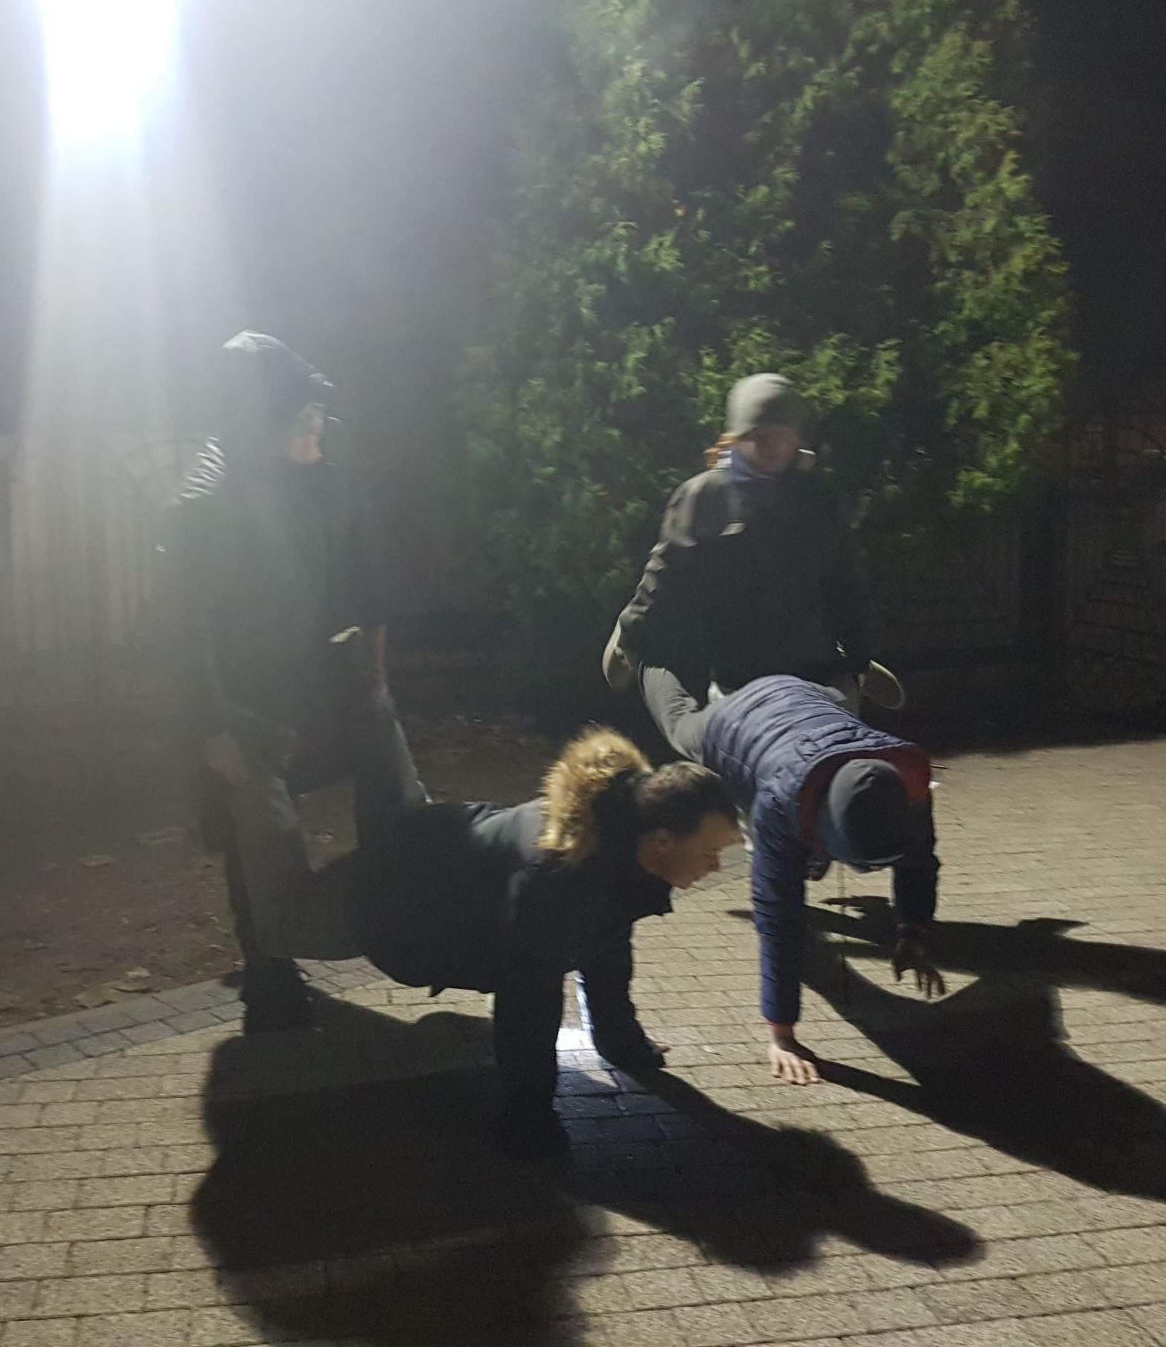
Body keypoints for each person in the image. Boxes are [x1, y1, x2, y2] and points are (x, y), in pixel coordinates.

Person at [250, 690, 741, 1159]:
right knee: (274, 926)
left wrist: (621, 1043)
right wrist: (530, 1121)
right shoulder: (558, 883)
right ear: (662, 841)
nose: (717, 866)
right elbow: (528, 1007)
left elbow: (605, 944)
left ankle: (366, 689)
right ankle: (254, 774)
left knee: (392, 805)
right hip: (384, 902)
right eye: (710, 852)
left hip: (430, 841)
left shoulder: (621, 823)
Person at [159, 330, 400, 1031]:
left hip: (314, 678)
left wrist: (373, 668)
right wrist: (212, 728)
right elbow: (184, 630)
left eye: (316, 418)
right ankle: (269, 970)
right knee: (258, 828)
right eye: (299, 422)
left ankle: (400, 910)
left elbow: (361, 573)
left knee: (383, 787)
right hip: (243, 699)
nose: (315, 432)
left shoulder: (322, 471)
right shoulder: (203, 505)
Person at [658, 671, 946, 1086]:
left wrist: (912, 931)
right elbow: (778, 918)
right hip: (735, 723)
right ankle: (643, 657)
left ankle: (854, 672)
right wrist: (782, 1035)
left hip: (811, 699)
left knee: (810, 858)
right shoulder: (779, 803)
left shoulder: (908, 784)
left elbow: (919, 861)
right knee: (678, 724)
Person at [602, 372, 901, 760]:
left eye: (781, 435)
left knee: (823, 750)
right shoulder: (705, 496)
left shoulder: (817, 498)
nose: (771, 446)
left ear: (796, 437)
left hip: (813, 666)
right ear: (737, 438)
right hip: (737, 674)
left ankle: (856, 674)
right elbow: (666, 575)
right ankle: (629, 646)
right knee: (737, 758)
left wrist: (859, 652)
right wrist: (633, 631)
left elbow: (845, 582)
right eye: (758, 436)